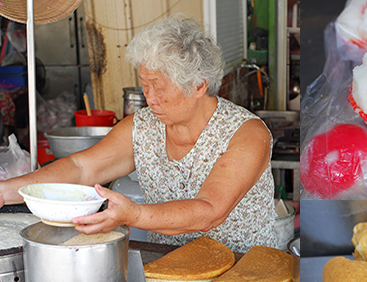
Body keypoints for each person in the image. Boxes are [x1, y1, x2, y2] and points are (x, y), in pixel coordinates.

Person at [0, 15, 277, 253]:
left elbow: (210, 211)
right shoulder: (143, 127)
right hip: (171, 273)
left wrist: (134, 214)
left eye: (159, 87)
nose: (150, 98)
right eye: (145, 85)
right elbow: (81, 168)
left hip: (247, 279)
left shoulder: (246, 133)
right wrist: (5, 191)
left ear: (198, 85)